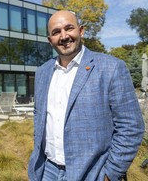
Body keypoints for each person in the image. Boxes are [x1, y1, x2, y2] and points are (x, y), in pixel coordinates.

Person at [28, 10, 145, 181]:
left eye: (69, 28)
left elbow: (131, 127)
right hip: (48, 171)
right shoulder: (42, 72)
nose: (64, 36)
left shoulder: (111, 68)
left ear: (81, 31)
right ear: (50, 40)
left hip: (93, 173)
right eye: (56, 32)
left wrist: (110, 174)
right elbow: (39, 117)